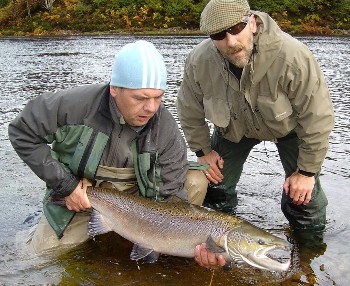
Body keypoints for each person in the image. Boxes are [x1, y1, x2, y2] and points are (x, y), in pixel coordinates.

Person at [9, 40, 208, 256]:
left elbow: (171, 200)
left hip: (139, 203)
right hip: (81, 198)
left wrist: (187, 241)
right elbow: (22, 130)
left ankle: (129, 234)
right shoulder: (74, 106)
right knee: (39, 258)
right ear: (114, 88)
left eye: (158, 97)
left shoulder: (166, 129)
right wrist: (66, 185)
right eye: (140, 98)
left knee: (195, 180)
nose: (151, 108)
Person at [176, 0, 334, 268]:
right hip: (234, 129)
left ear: (251, 22)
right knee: (216, 185)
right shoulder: (198, 61)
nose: (230, 41)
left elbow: (317, 117)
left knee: (304, 200)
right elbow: (188, 108)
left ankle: (310, 259)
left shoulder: (293, 56)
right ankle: (220, 251)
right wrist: (203, 151)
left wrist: (306, 172)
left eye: (236, 28)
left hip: (290, 129)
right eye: (218, 35)